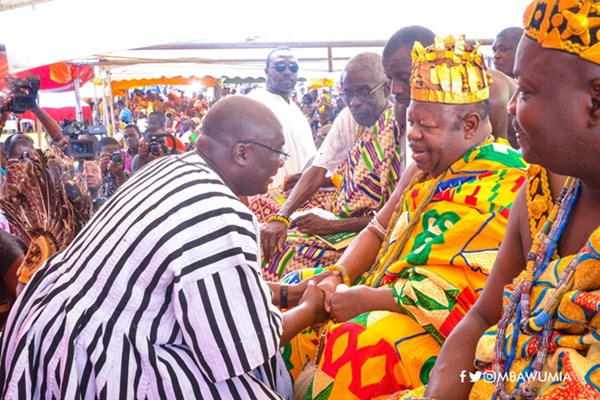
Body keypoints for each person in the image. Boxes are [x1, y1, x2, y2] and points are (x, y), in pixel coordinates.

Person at [0, 96, 329, 399]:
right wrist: (310, 310)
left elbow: (198, 286)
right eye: (278, 153)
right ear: (242, 152)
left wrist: (286, 294)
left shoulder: (167, 169)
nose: (280, 165)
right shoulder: (218, 210)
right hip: (88, 365)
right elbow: (239, 346)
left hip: (46, 339)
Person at [293, 35, 528, 400]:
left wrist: (370, 299)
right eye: (410, 120)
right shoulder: (422, 170)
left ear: (468, 124)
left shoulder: (507, 180)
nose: (413, 135)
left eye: (426, 126)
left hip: (449, 329)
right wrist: (337, 274)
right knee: (300, 284)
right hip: (390, 288)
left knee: (360, 342)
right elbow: (377, 228)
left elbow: (470, 297)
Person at [406, 1, 600, 399]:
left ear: (596, 103)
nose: (510, 107)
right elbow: (481, 315)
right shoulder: (539, 197)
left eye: (525, 92)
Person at [258, 52, 404, 281]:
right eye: (347, 94)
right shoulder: (348, 118)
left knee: (277, 252)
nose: (354, 102)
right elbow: (319, 167)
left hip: (378, 236)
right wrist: (282, 217)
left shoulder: (401, 126)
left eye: (364, 92)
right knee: (265, 216)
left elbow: (399, 215)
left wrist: (332, 226)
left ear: (386, 90)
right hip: (341, 218)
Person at [249, 46, 316, 188]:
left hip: (300, 194)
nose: (287, 72)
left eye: (293, 68)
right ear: (266, 71)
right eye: (280, 67)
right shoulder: (254, 103)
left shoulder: (295, 108)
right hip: (267, 195)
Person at [98, 136, 129, 200]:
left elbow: (126, 194)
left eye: (115, 152)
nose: (111, 155)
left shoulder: (125, 173)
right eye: (107, 153)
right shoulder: (93, 173)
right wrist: (100, 173)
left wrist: (119, 174)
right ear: (99, 155)